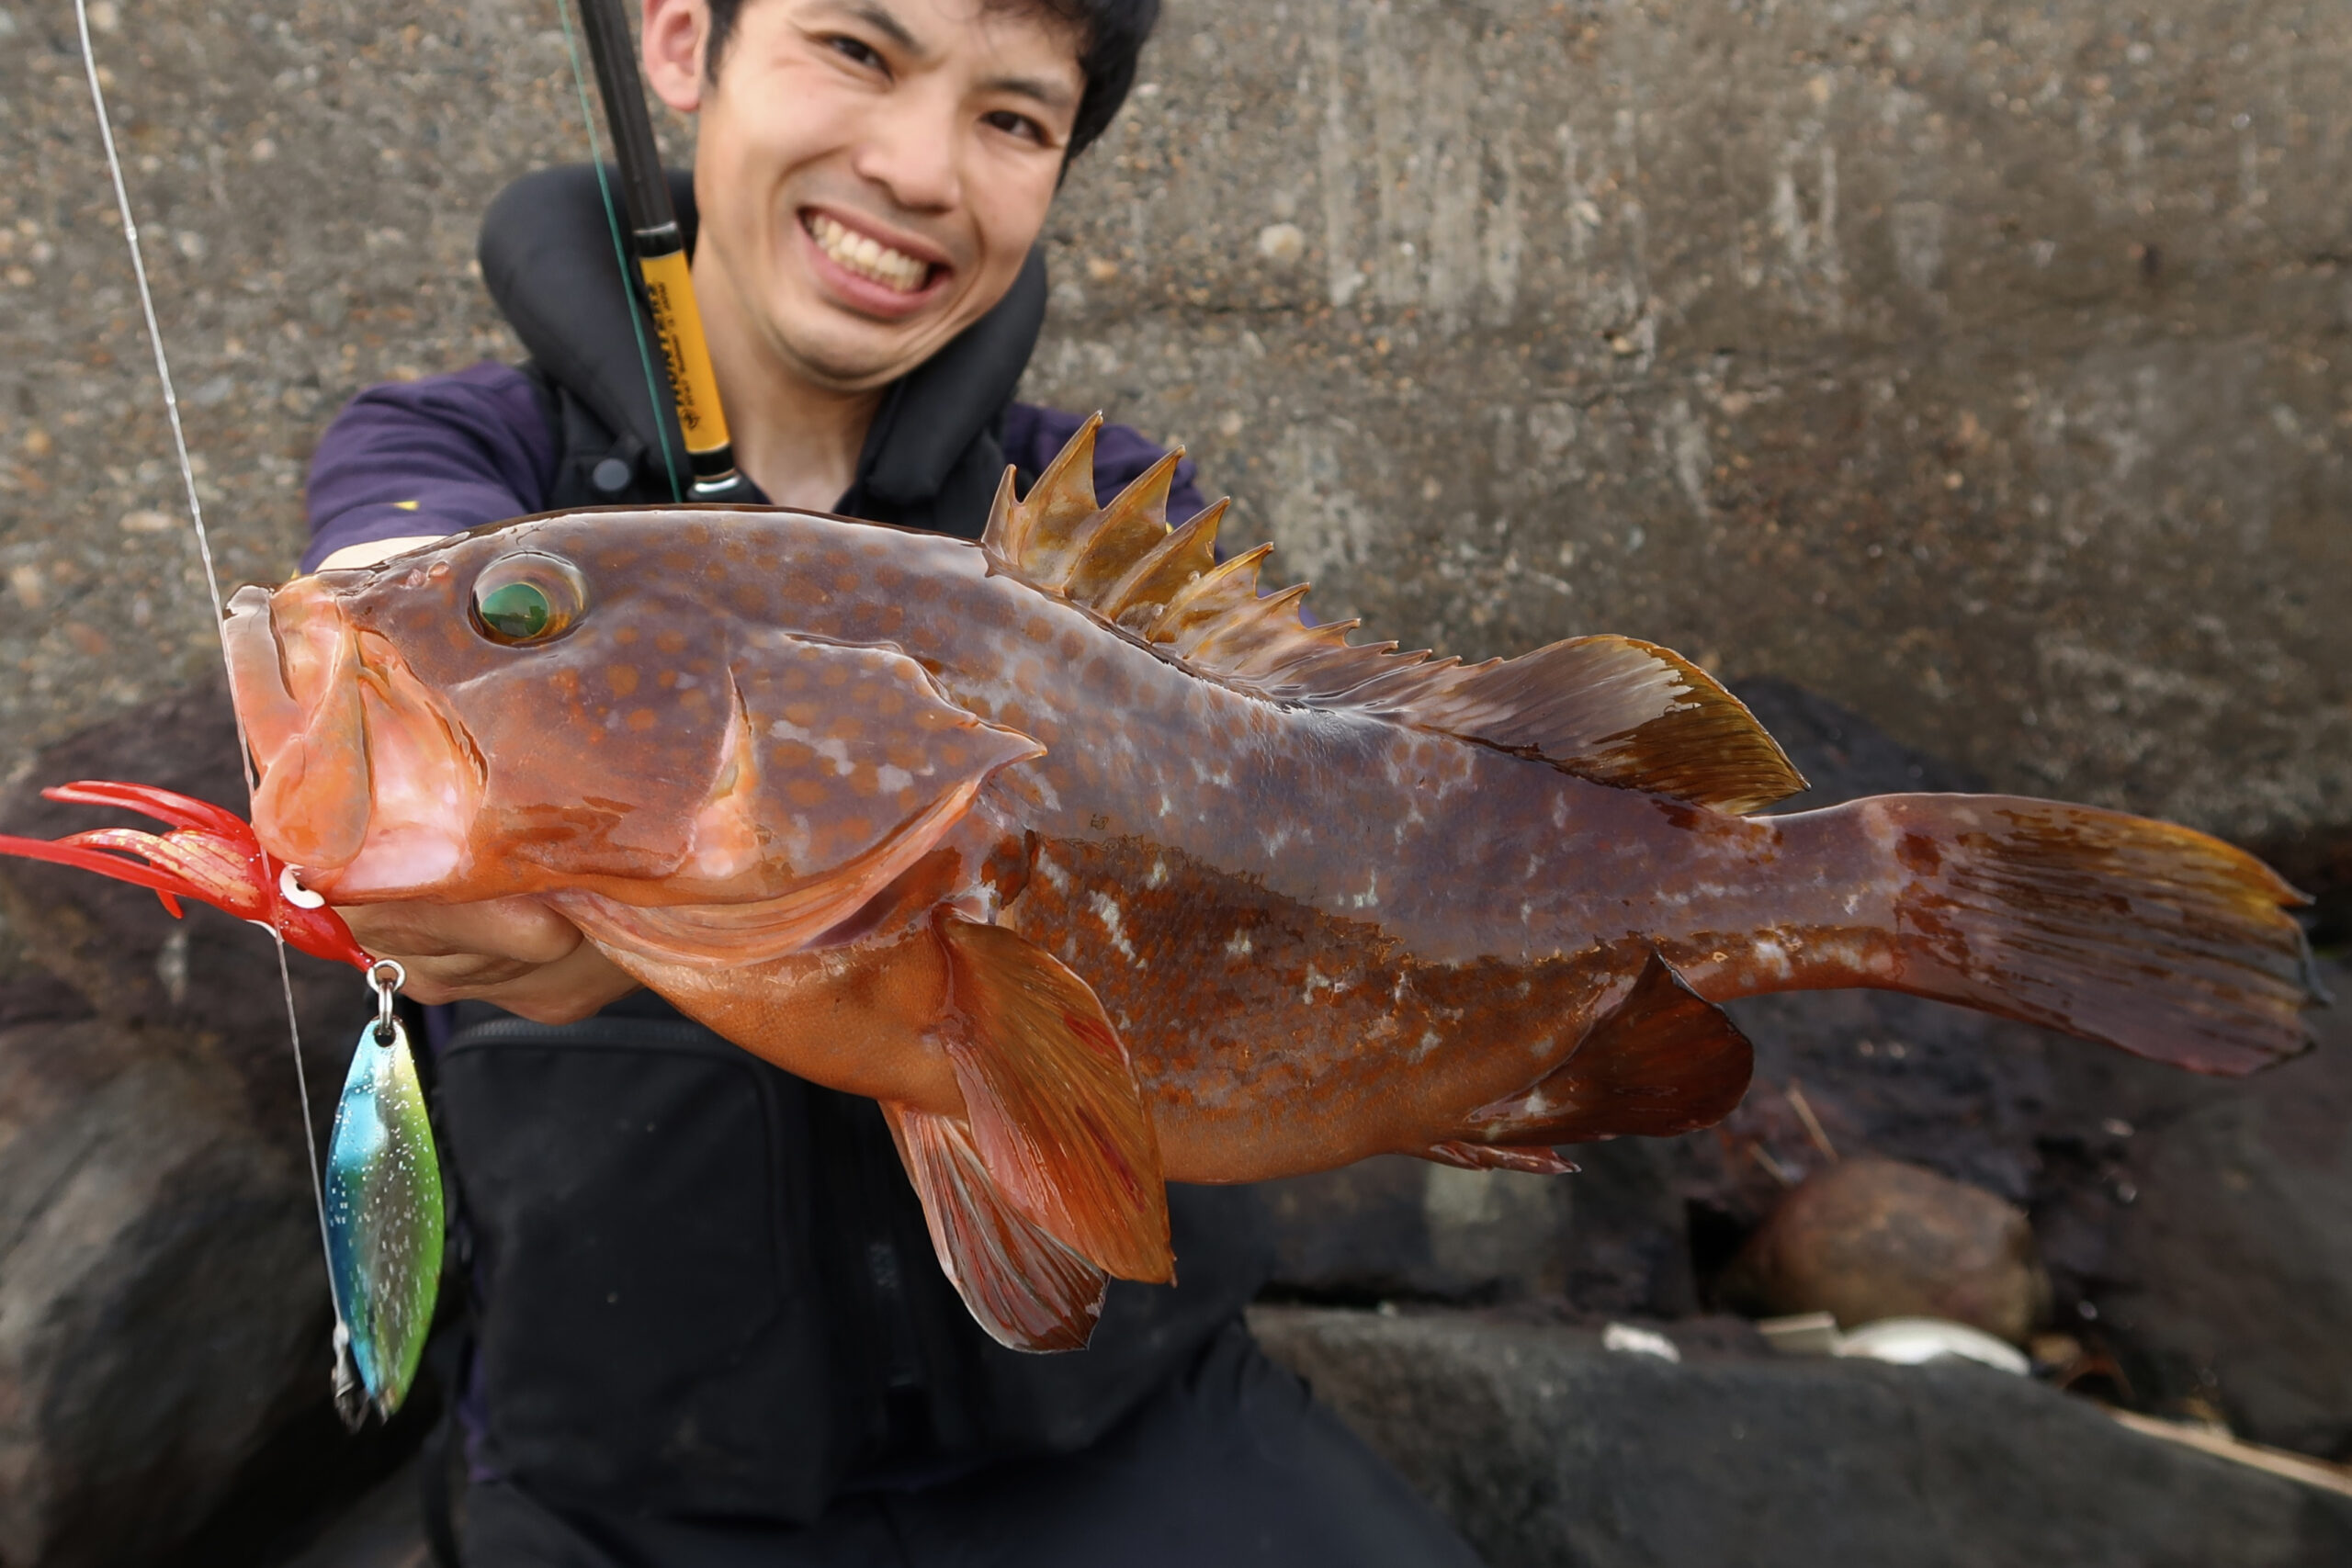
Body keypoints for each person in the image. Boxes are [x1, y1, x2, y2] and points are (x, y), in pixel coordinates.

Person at [300, 1, 1487, 1562]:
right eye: (856, 49)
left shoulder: (1106, 511)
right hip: (626, 1497)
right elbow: (375, 609)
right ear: (677, 45)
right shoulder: (456, 449)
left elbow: (1318, 801)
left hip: (1132, 1430)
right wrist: (451, 819)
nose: (919, 166)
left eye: (1013, 118)